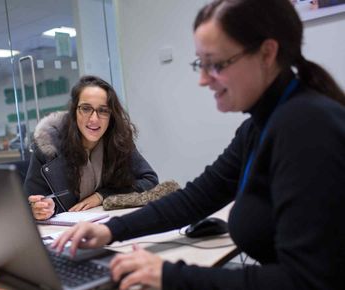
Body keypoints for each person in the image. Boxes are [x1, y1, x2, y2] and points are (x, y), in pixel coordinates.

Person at [52, 1, 345, 289]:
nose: (203, 80)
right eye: (200, 64)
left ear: (267, 53)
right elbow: (197, 198)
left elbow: (305, 281)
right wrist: (110, 230)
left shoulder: (307, 127)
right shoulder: (260, 126)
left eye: (216, 64)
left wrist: (168, 275)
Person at [24, 75, 159, 220]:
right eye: (86, 108)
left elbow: (150, 180)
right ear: (74, 112)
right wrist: (42, 209)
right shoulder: (48, 147)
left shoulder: (118, 142)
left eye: (103, 110)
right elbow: (27, 204)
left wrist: (102, 195)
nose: (94, 119)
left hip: (108, 223)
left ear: (111, 115)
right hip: (62, 233)